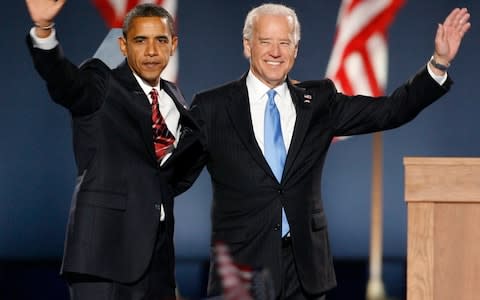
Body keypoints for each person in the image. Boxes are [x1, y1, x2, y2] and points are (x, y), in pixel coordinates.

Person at [187, 3, 471, 300]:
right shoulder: (212, 107)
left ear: (296, 49)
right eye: (266, 41)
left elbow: (390, 111)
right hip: (240, 269)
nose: (276, 52)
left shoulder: (319, 101)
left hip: (305, 269)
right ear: (248, 46)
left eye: (285, 42)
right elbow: (174, 175)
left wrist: (438, 64)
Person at [25, 0, 203, 299]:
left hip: (157, 263)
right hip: (104, 258)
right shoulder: (102, 82)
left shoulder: (174, 98)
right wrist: (44, 31)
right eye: (140, 40)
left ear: (173, 45)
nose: (151, 51)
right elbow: (65, 82)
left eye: (160, 40)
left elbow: (171, 174)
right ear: (123, 46)